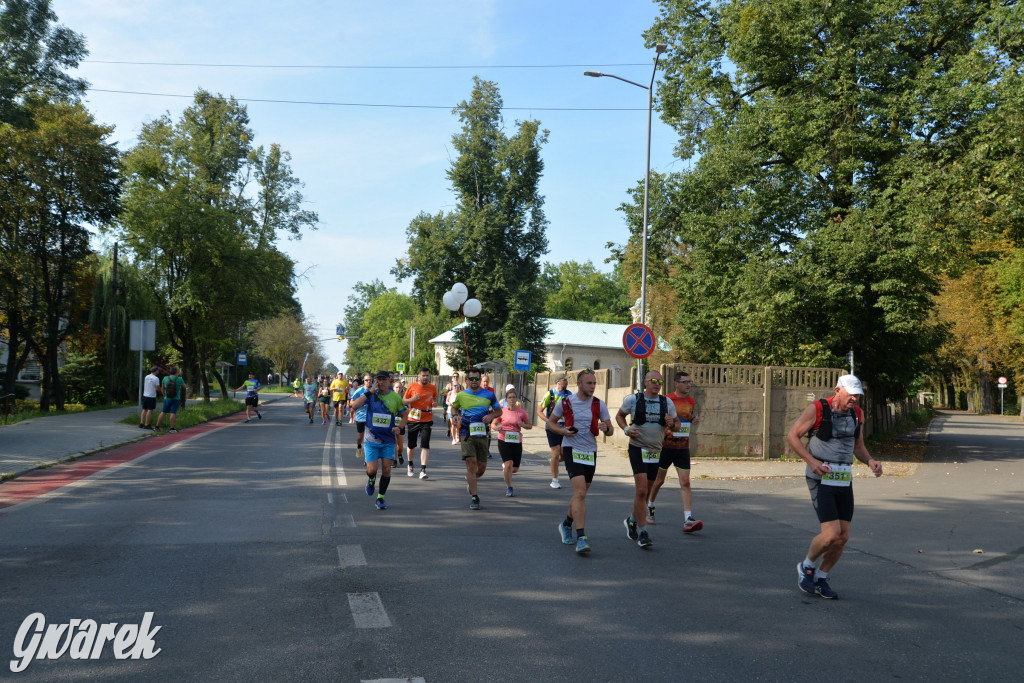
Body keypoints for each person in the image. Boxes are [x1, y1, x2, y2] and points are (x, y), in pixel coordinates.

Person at [786, 374, 883, 599]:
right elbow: (792, 436)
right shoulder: (818, 409)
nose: (854, 399)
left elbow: (858, 446)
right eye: (850, 394)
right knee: (830, 534)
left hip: (843, 476)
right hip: (820, 476)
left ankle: (821, 577)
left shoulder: (857, 414)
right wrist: (812, 462)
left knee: (843, 536)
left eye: (857, 395)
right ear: (837, 390)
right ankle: (806, 566)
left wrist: (870, 461)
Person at [548, 368, 613, 554]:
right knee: (581, 493)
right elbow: (551, 423)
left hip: (590, 451)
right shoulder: (566, 401)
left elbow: (611, 430)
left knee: (580, 496)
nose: (592, 386)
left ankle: (566, 524)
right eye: (589, 383)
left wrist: (605, 428)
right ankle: (582, 537)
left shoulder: (599, 404)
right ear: (579, 384)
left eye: (594, 383)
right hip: (571, 449)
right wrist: (563, 432)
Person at [615, 370, 678, 549]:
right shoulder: (632, 400)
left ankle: (632, 520)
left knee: (647, 491)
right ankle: (643, 531)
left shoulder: (667, 402)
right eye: (653, 380)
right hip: (637, 448)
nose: (657, 384)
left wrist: (671, 423)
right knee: (641, 490)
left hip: (656, 450)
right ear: (645, 382)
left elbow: (677, 424)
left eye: (660, 381)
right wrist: (626, 430)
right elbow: (619, 416)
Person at [647, 371, 703, 532]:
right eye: (685, 382)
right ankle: (650, 505)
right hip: (665, 447)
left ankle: (688, 519)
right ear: (676, 383)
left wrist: (693, 420)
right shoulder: (666, 400)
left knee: (685, 482)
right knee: (658, 481)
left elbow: (687, 418)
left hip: (683, 448)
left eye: (689, 382)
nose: (688, 385)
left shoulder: (691, 401)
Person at [349, 370, 409, 510]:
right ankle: (371, 479)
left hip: (388, 440)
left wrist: (399, 427)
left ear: (389, 381)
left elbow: (405, 415)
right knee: (372, 470)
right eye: (378, 379)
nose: (381, 382)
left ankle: (380, 498)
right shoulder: (371, 396)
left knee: (387, 469)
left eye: (383, 379)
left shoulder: (395, 397)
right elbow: (354, 406)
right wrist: (369, 392)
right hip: (371, 439)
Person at [450, 367, 502, 510]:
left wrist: (491, 416)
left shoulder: (489, 395)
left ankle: (471, 481)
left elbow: (499, 410)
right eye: (471, 379)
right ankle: (474, 497)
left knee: (481, 469)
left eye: (476, 379)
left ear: (480, 380)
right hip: (466, 433)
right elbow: (454, 408)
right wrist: (455, 416)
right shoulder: (461, 395)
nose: (474, 381)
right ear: (466, 380)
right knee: (471, 464)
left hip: (482, 434)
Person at [495, 384, 533, 497]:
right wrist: (496, 427)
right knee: (508, 464)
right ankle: (509, 487)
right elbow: (493, 424)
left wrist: (522, 425)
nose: (512, 399)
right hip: (503, 439)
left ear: (516, 400)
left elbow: (530, 425)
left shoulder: (521, 412)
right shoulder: (502, 411)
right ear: (506, 400)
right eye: (510, 397)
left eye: (514, 397)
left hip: (516, 440)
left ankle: (507, 470)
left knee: (515, 468)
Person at [537, 375, 573, 489]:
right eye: (565, 380)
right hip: (552, 428)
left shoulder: (569, 394)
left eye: (567, 381)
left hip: (565, 427)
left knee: (564, 455)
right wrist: (549, 422)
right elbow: (539, 411)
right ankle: (554, 480)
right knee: (556, 452)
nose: (567, 382)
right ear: (558, 382)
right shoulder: (550, 394)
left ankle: (553, 461)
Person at [403, 368, 437, 479]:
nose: (425, 377)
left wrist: (435, 402)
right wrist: (412, 399)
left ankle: (423, 470)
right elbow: (403, 401)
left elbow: (434, 398)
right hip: (414, 418)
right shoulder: (412, 386)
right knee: (411, 444)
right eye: (423, 375)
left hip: (427, 418)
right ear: (419, 376)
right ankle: (410, 464)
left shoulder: (432, 387)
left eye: (427, 375)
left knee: (425, 444)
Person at [154, 366, 187, 433]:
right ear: (176, 372)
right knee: (173, 413)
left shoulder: (165, 378)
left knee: (163, 412)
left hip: (167, 398)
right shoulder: (179, 379)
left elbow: (162, 388)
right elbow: (184, 386)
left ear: (170, 372)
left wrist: (164, 395)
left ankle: (157, 427)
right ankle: (172, 429)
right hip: (176, 398)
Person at [351, 374, 372, 459]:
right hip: (361, 417)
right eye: (366, 380)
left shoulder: (374, 391)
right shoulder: (359, 391)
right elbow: (351, 403)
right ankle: (359, 446)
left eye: (370, 380)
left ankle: (367, 457)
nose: (368, 382)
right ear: (364, 381)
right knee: (360, 437)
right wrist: (360, 403)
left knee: (369, 438)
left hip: (371, 417)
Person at [139, 365, 161, 430]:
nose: (158, 371)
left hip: (145, 395)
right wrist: (160, 391)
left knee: (144, 409)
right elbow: (157, 388)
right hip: (151, 396)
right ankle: (147, 424)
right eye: (158, 370)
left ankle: (141, 423)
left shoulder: (146, 376)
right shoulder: (156, 378)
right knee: (150, 410)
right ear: (156, 371)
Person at [445, 373, 463, 444]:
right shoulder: (450, 393)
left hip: (459, 410)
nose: (456, 387)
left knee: (458, 424)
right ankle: (453, 438)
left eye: (457, 385)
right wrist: (449, 404)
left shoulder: (461, 393)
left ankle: (457, 434)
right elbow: (446, 401)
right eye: (455, 386)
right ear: (453, 386)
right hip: (450, 410)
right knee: (453, 424)